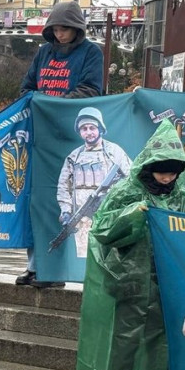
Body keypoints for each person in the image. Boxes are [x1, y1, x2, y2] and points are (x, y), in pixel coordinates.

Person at [76, 120, 185, 370]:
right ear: (149, 167)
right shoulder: (126, 191)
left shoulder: (184, 199)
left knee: (159, 348)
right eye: (162, 171)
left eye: (173, 172)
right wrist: (131, 215)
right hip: (129, 282)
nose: (168, 178)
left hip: (165, 286)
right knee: (124, 345)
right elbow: (101, 230)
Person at [18, 0, 104, 288]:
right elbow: (28, 88)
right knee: (37, 202)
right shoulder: (44, 53)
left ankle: (55, 269)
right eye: (55, 28)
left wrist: (54, 105)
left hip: (70, 140)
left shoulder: (92, 52)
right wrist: (37, 103)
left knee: (63, 202)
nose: (59, 34)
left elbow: (91, 89)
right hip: (41, 138)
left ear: (76, 28)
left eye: (65, 28)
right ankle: (35, 266)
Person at [55, 107, 131, 258]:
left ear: (100, 129)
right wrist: (65, 212)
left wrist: (118, 201)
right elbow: (63, 187)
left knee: (110, 256)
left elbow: (131, 177)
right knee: (87, 258)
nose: (88, 132)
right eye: (84, 128)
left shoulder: (114, 152)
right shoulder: (74, 157)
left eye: (92, 128)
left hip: (109, 216)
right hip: (83, 218)